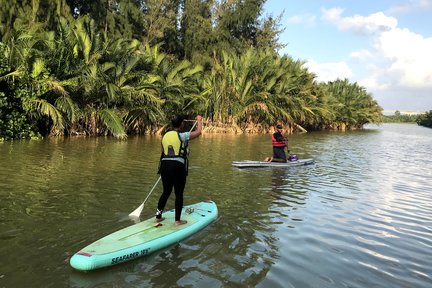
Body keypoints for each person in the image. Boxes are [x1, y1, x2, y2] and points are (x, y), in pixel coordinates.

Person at [155, 114, 203, 225]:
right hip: (177, 166)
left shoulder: (164, 136)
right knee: (179, 193)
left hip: (164, 165)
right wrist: (199, 121)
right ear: (181, 124)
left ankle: (158, 216)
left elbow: (163, 151)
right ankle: (177, 220)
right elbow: (198, 132)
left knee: (166, 192)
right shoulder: (183, 136)